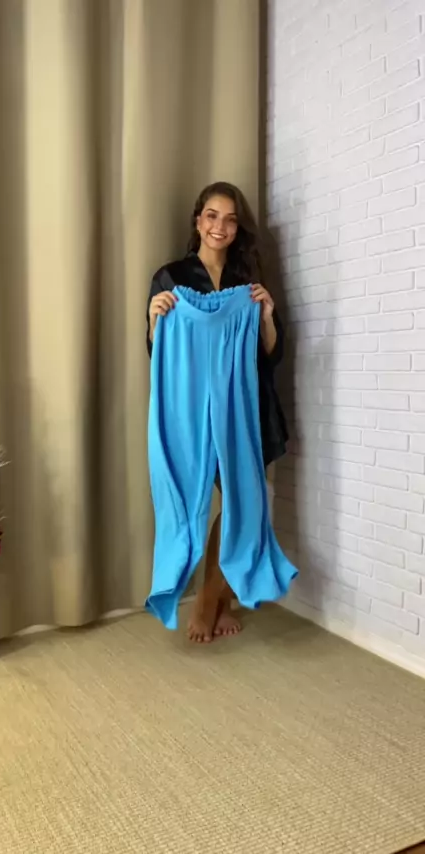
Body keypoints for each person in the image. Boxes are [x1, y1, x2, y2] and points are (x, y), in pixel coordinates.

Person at [146, 181, 288, 643]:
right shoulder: (171, 278)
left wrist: (265, 316)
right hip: (190, 403)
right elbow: (158, 352)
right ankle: (207, 597)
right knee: (188, 498)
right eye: (212, 216)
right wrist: (156, 319)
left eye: (229, 219)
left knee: (244, 502)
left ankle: (212, 601)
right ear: (198, 220)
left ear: (237, 227)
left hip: (246, 403)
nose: (219, 226)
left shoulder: (248, 282)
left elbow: (271, 354)